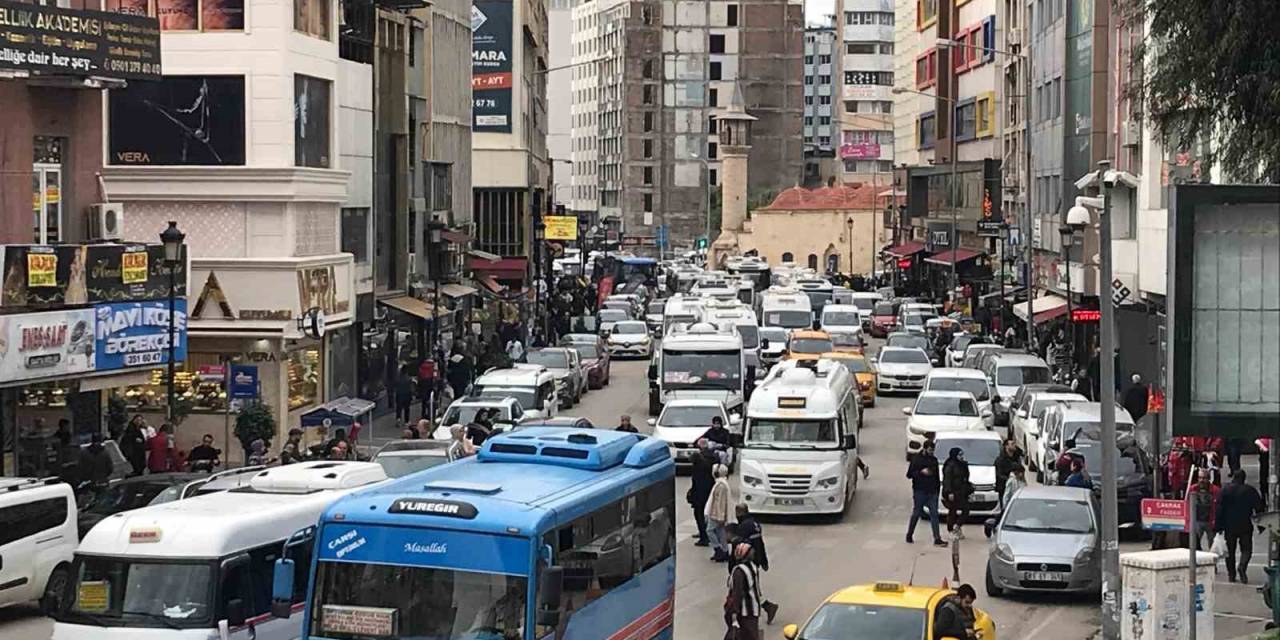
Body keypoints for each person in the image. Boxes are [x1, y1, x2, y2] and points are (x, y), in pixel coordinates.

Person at [1215, 469, 1265, 583]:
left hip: (1229, 526)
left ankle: (1231, 574)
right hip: (1245, 525)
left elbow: (1219, 509)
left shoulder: (1225, 490)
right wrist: (1261, 525)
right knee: (1247, 549)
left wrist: (1218, 526)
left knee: (1230, 552)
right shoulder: (1250, 491)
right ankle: (1242, 566)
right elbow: (1259, 509)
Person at [733, 505, 779, 624]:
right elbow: (760, 543)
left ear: (739, 513)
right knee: (754, 587)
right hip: (756, 559)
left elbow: (739, 546)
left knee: (749, 589)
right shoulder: (755, 524)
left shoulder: (743, 527)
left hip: (747, 561)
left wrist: (734, 564)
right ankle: (768, 607)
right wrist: (764, 560)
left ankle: (767, 607)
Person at [906, 441, 947, 547]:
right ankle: (909, 534)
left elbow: (937, 476)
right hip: (920, 490)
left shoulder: (934, 460)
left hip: (932, 491)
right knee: (917, 513)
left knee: (934, 515)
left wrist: (938, 491)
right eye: (930, 450)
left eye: (933, 450)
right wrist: (921, 472)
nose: (932, 452)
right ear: (925, 448)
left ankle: (937, 538)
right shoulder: (916, 459)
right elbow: (909, 474)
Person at [725, 543, 763, 640]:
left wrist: (734, 613)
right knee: (752, 634)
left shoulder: (738, 571)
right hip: (753, 609)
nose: (753, 553)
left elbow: (737, 593)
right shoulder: (753, 567)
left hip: (744, 612)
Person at [689, 438, 716, 547]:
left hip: (700, 492)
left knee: (699, 514)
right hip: (710, 489)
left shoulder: (699, 461)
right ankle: (705, 533)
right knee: (707, 514)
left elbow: (696, 479)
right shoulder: (712, 457)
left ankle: (704, 536)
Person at [942, 447, 973, 538]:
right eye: (959, 455)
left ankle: (957, 526)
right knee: (953, 511)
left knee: (966, 509)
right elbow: (947, 480)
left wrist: (969, 488)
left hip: (962, 491)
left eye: (962, 454)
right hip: (953, 492)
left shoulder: (963, 465)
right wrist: (949, 492)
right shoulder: (950, 466)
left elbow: (966, 478)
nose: (961, 457)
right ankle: (951, 529)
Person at [705, 464, 733, 562]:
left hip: (716, 514)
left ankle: (718, 549)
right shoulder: (721, 484)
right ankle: (725, 551)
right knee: (720, 532)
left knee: (709, 531)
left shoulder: (721, 486)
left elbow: (721, 502)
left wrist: (720, 516)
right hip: (716, 513)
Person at [1188, 470, 1219, 550]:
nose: (1201, 480)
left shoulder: (1215, 490)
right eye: (1200, 478)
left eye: (1204, 478)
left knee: (1213, 547)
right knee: (1195, 544)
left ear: (1208, 479)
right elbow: (1187, 503)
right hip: (1197, 520)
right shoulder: (1193, 489)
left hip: (1211, 521)